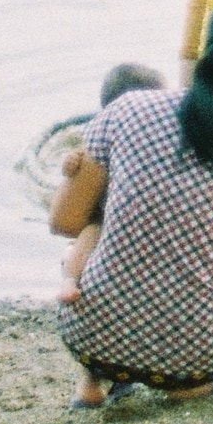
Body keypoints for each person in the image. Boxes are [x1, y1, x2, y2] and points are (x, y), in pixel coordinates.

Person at [52, 0, 213, 407]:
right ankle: (191, 383)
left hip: (90, 339)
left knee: (93, 245)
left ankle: (100, 379)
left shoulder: (129, 107)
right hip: (200, 354)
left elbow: (66, 221)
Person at [57, 62, 171, 305]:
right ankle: (70, 280)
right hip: (108, 217)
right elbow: (77, 164)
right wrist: (69, 166)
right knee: (90, 233)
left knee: (89, 235)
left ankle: (71, 277)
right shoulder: (102, 135)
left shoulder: (102, 132)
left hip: (117, 219)